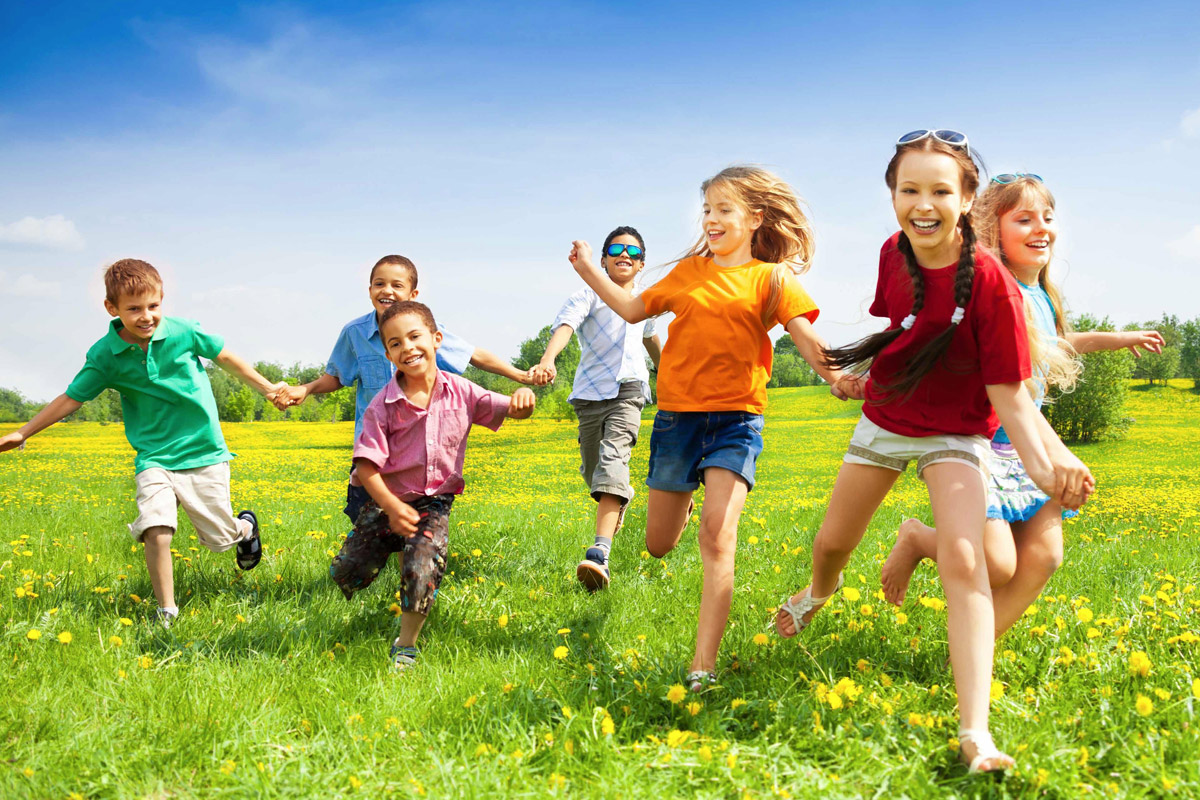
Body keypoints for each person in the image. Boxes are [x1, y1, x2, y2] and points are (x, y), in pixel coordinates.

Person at [773, 132, 1094, 774]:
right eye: (908, 190)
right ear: (892, 195)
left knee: (968, 557)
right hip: (888, 416)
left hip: (957, 434)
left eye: (940, 191)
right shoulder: (893, 252)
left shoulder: (996, 288)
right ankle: (817, 591)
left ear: (967, 199)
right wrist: (868, 371)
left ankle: (976, 734)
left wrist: (1046, 464)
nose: (923, 204)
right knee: (833, 542)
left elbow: (1010, 396)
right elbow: (901, 322)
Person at [569, 166, 857, 691]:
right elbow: (634, 309)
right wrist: (590, 269)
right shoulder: (690, 272)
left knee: (718, 539)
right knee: (658, 544)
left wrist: (837, 377)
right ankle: (684, 502)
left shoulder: (772, 279)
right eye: (707, 210)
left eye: (724, 209)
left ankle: (702, 668)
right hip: (678, 422)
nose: (712, 219)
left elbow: (805, 336)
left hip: (736, 422)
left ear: (755, 217)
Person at [880, 173, 1163, 640]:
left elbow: (1056, 343)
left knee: (1045, 555)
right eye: (1025, 219)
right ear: (992, 231)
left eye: (1048, 218)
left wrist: (1119, 338)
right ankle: (917, 537)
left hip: (1026, 444)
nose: (1042, 228)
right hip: (984, 443)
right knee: (994, 564)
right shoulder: (994, 290)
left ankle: (974, 653)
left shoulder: (1042, 296)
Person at [0, 258, 284, 627]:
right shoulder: (106, 355)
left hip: (203, 451)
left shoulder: (184, 332)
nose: (146, 316)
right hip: (154, 456)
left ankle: (245, 528)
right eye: (134, 309)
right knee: (156, 527)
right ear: (112, 309)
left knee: (219, 539)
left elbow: (225, 357)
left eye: (153, 306)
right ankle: (167, 610)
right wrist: (25, 431)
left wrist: (268, 389)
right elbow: (72, 398)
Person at [327, 300, 535, 670]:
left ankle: (405, 645)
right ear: (389, 354)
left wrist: (524, 401)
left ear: (437, 339)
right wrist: (391, 508)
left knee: (423, 566)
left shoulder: (463, 392)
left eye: (414, 336)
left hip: (434, 503)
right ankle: (392, 544)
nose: (406, 347)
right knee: (347, 571)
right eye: (394, 343)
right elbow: (366, 467)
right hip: (385, 503)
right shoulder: (382, 406)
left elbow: (510, 408)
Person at [272, 254, 535, 522]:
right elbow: (337, 376)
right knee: (367, 523)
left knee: (411, 523)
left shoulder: (422, 330)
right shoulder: (354, 332)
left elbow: (471, 354)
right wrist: (306, 389)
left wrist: (518, 375)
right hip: (375, 448)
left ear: (413, 293)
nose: (387, 290)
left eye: (397, 285)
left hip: (414, 449)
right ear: (370, 290)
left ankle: (404, 564)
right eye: (379, 284)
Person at [530, 225, 663, 591]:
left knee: (613, 460)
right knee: (594, 471)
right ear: (602, 260)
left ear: (641, 265)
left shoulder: (645, 301)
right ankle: (620, 496)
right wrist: (548, 360)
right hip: (590, 394)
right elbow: (565, 326)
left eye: (634, 253)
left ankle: (599, 553)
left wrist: (668, 374)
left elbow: (651, 338)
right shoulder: (586, 296)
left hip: (630, 389)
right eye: (617, 249)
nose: (625, 255)